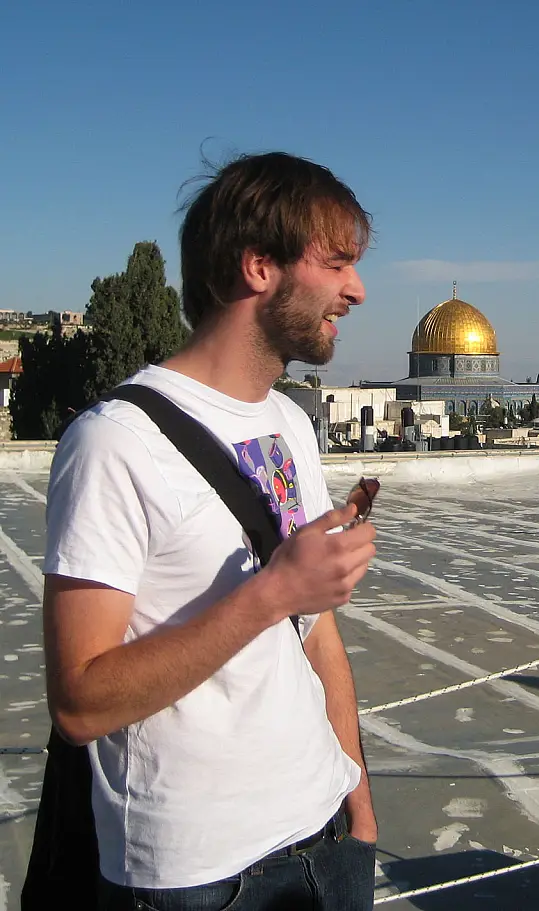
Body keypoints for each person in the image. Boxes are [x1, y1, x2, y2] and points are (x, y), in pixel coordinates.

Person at [43, 152, 379, 910]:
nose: (357, 289)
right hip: (199, 876)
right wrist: (271, 593)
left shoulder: (290, 421)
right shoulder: (114, 442)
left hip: (326, 834)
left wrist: (356, 795)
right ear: (259, 266)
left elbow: (316, 634)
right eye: (336, 264)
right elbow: (80, 701)